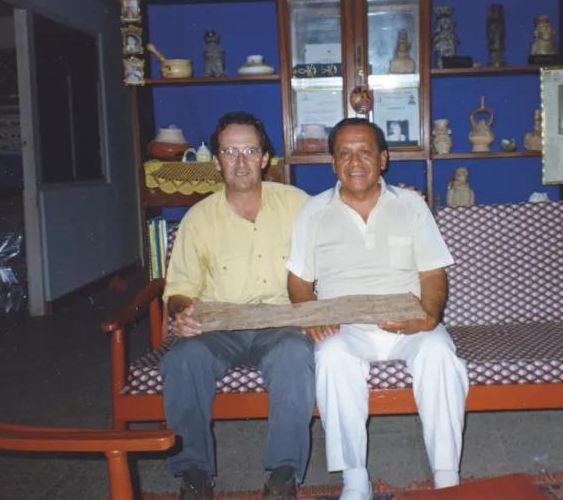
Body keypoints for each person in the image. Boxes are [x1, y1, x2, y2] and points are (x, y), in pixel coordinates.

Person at [286, 118, 469, 500]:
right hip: (347, 326)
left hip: (407, 319)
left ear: (383, 159)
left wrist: (429, 315)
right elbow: (299, 283)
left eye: (365, 151)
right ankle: (355, 479)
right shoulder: (313, 212)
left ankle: (446, 475)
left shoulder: (412, 205)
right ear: (333, 163)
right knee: (332, 356)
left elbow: (433, 273)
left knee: (439, 353)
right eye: (344, 153)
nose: (355, 162)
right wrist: (313, 316)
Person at [161, 112, 315, 500]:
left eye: (250, 150)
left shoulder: (299, 205)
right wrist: (180, 312)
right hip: (219, 324)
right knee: (182, 359)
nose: (242, 161)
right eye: (231, 152)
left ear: (265, 158)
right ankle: (194, 474)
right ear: (216, 162)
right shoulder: (199, 218)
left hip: (281, 321)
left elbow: (341, 231)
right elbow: (179, 288)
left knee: (295, 354)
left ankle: (283, 473)